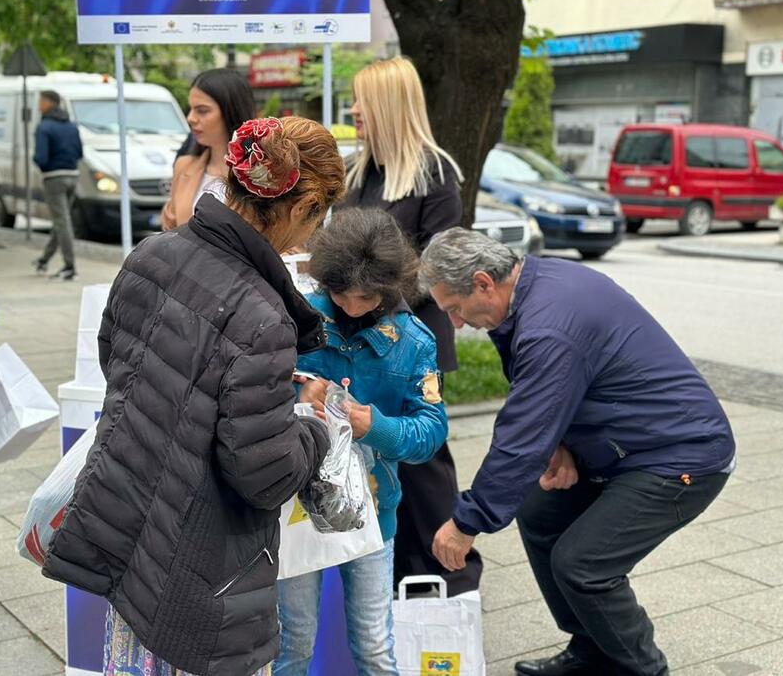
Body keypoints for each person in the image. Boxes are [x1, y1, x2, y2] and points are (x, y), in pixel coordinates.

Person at [41, 117, 347, 676]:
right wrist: (311, 427)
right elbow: (265, 474)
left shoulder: (152, 255)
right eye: (317, 218)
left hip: (130, 533)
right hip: (199, 567)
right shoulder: (262, 316)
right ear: (302, 208)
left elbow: (123, 369)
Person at [419, 229, 737, 676]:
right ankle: (592, 649)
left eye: (454, 308)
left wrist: (467, 521)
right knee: (540, 513)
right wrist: (563, 441)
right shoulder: (533, 289)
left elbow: (522, 436)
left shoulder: (550, 323)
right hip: (627, 444)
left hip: (680, 456)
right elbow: (552, 394)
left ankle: (644, 669)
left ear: (484, 282)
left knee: (583, 564)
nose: (456, 322)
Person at [274, 208, 449, 676]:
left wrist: (377, 426)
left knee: (374, 646)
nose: (352, 306)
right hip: (293, 506)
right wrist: (297, 389)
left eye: (366, 297)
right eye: (341, 294)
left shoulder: (414, 341)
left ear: (391, 287)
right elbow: (247, 389)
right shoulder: (296, 318)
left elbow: (431, 433)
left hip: (375, 508)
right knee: (292, 644)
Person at [339, 55, 481, 594]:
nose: (353, 109)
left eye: (361, 101)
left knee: (423, 466)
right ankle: (394, 580)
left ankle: (450, 580)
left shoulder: (435, 172)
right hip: (363, 342)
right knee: (376, 462)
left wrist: (367, 293)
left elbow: (439, 269)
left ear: (388, 107)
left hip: (413, 347)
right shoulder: (361, 171)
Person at [161, 68, 255, 228]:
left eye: (202, 111)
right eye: (190, 109)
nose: (190, 118)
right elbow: (170, 229)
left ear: (231, 111)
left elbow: (285, 241)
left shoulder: (261, 172)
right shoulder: (183, 166)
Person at [32, 89, 83, 280]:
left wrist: (41, 163)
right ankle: (44, 259)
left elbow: (41, 156)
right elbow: (79, 153)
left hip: (54, 177)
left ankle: (69, 266)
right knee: (62, 220)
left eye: (40, 101)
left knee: (62, 222)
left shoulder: (45, 126)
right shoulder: (71, 125)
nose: (38, 106)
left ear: (48, 103)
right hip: (73, 175)